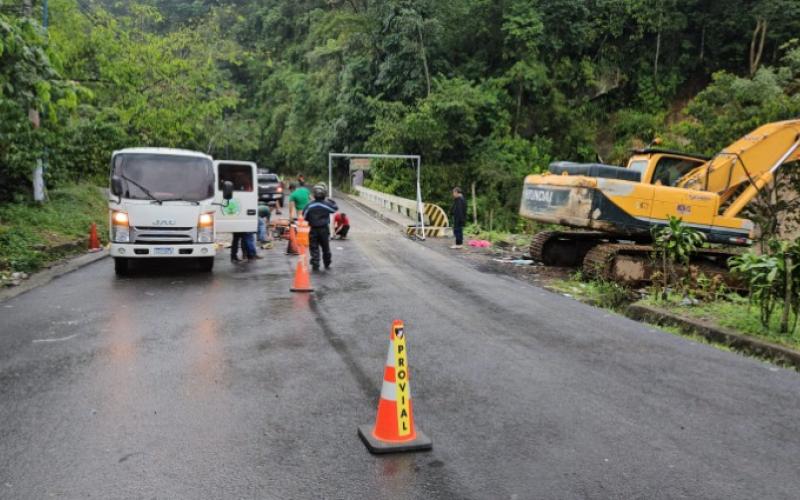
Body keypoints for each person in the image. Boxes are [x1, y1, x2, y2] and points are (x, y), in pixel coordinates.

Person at [302, 183, 338, 271]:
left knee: (314, 247)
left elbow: (304, 216)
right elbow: (334, 209)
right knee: (325, 247)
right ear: (324, 193)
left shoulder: (309, 205)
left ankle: (315, 263)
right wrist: (332, 201)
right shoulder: (326, 204)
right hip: (324, 229)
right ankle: (327, 262)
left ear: (314, 194)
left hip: (313, 229)